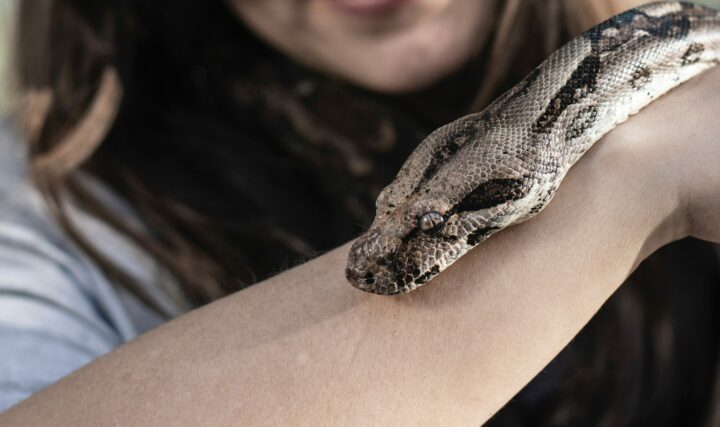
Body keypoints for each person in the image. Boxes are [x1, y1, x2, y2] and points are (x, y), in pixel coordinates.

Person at [1, 0, 719, 424]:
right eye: (403, 215)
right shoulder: (45, 207)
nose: (377, 256)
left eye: (433, 225)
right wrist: (633, 176)